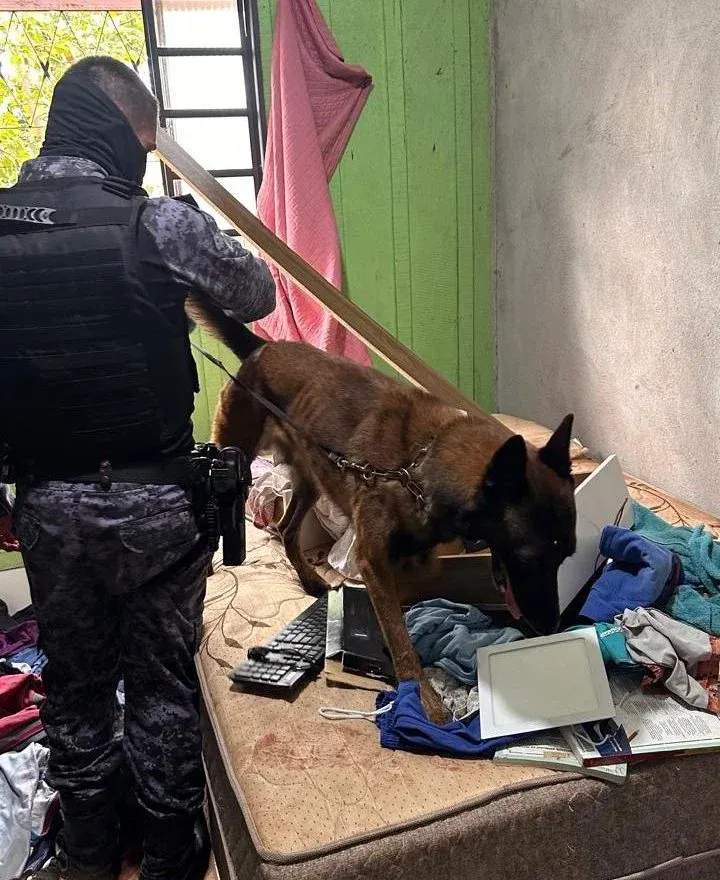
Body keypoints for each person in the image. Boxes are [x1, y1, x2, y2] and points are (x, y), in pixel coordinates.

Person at [0, 56, 275, 880]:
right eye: (147, 145)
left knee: (76, 683)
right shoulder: (155, 222)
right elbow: (257, 291)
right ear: (121, 129)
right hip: (154, 506)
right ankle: (166, 852)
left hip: (48, 506)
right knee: (161, 687)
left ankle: (86, 850)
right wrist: (185, 214)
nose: (147, 161)